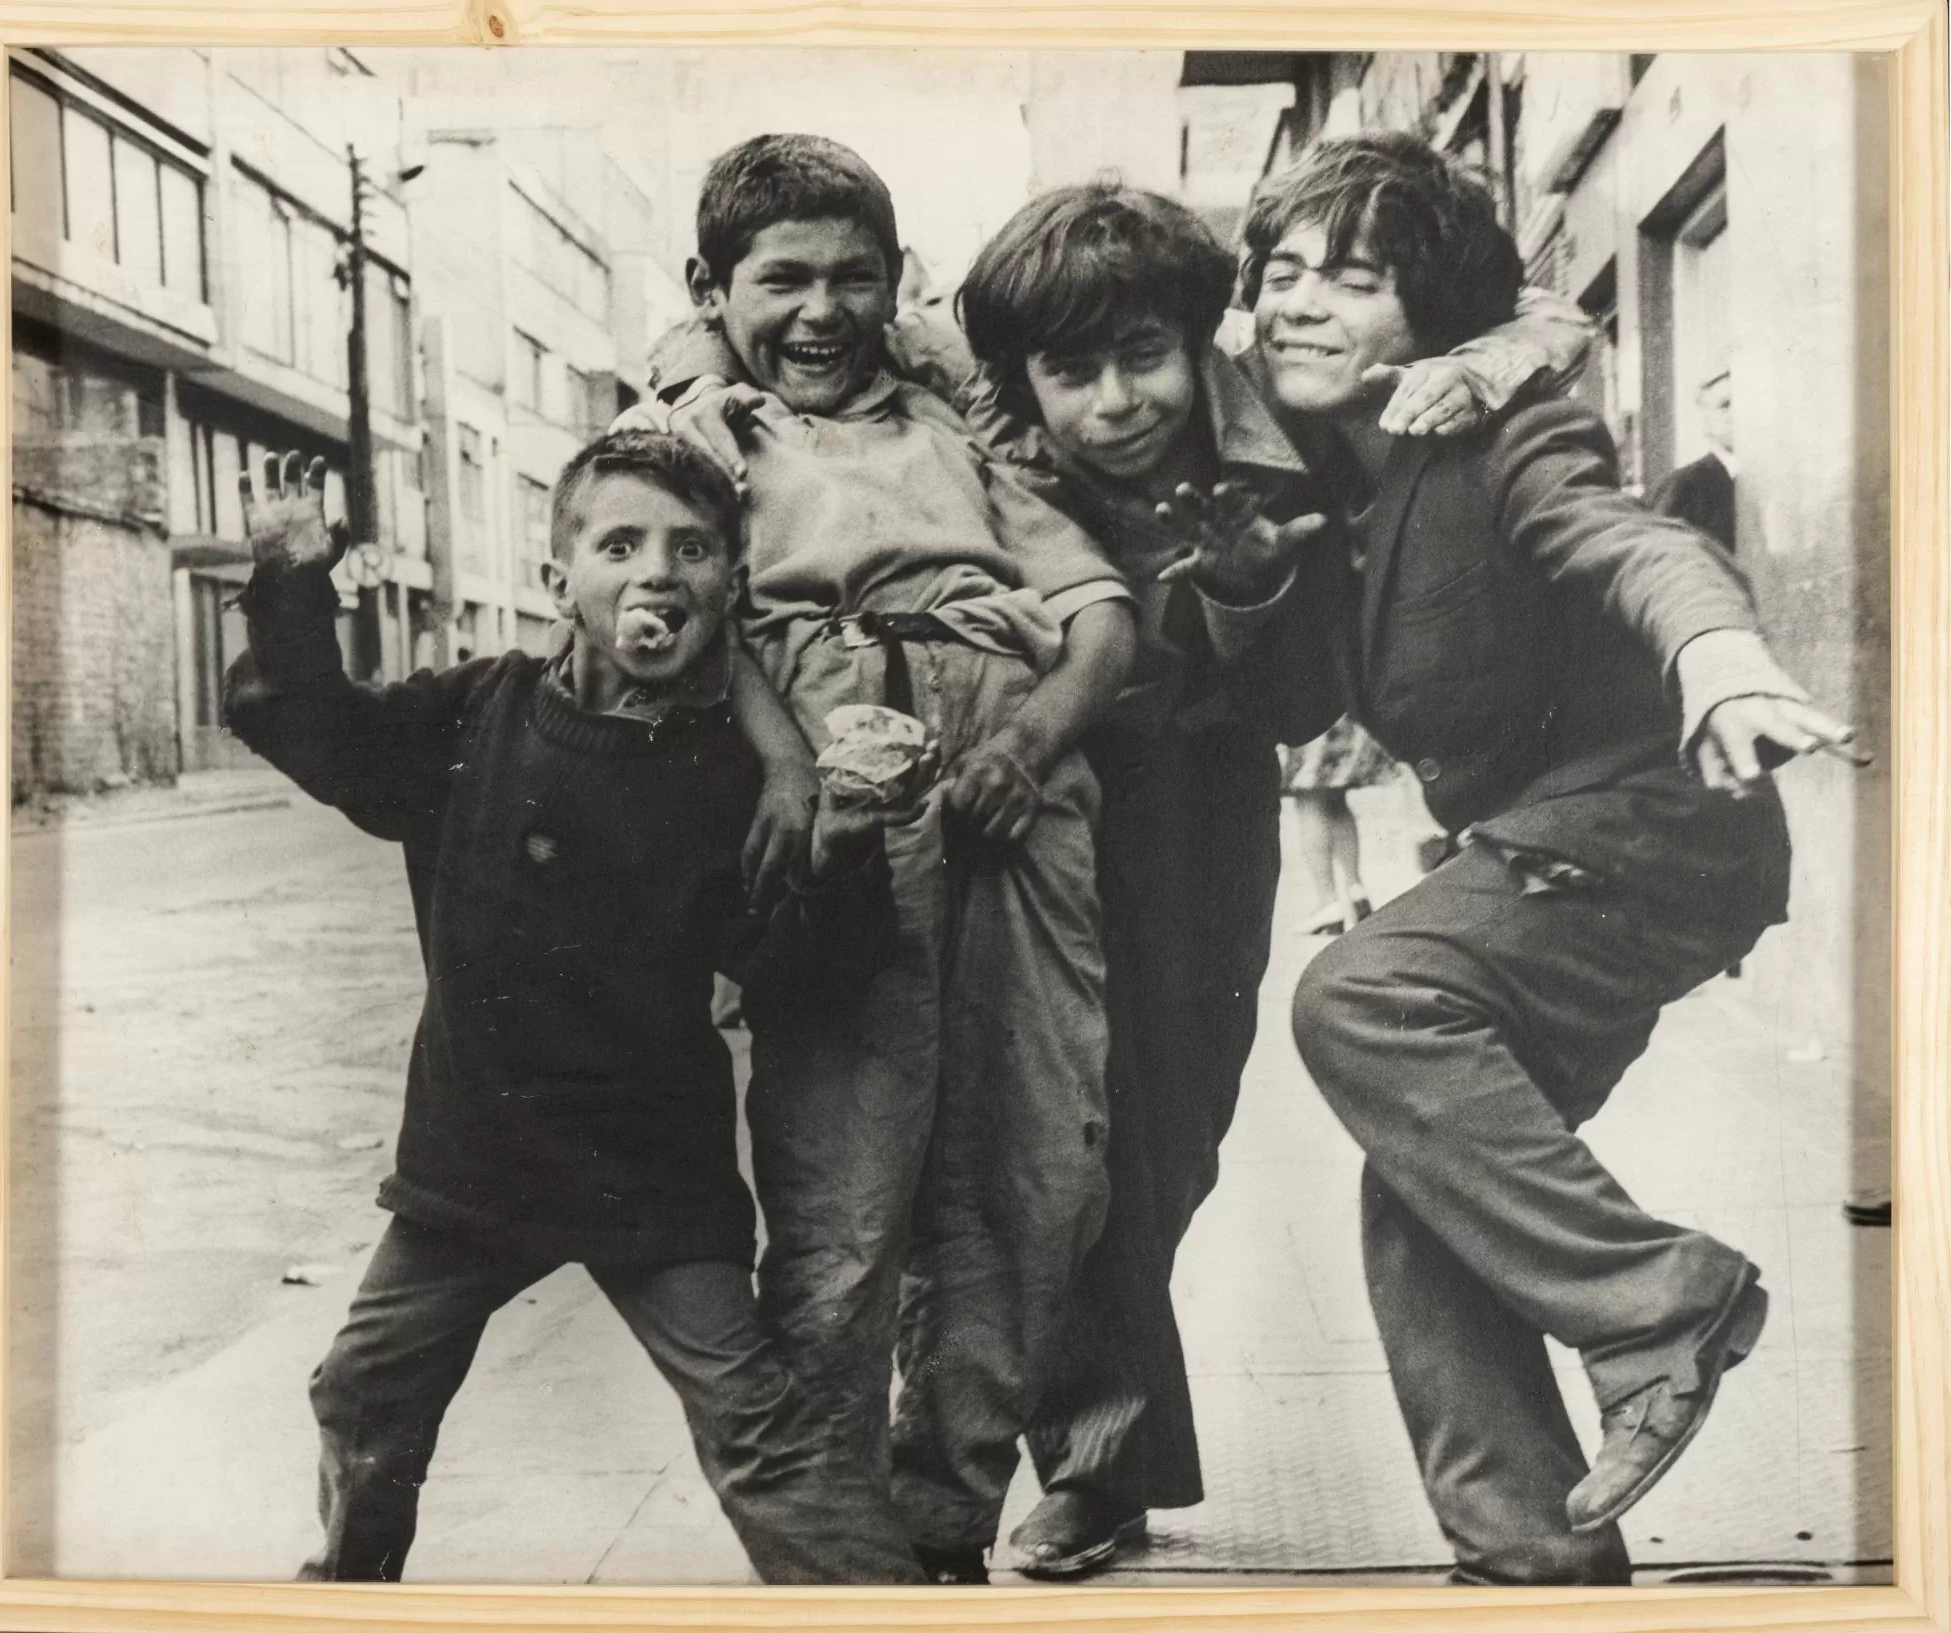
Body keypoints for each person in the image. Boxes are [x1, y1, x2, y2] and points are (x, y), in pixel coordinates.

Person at [654, 176, 1594, 1578]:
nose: (1114, 402)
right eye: (1072, 371)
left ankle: (1089, 1444)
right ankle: (1090, 1461)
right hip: (1015, 808)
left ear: (1197, 338)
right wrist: (685, 369)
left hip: (1189, 826)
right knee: (1050, 1151)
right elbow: (775, 322)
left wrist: (1243, 587)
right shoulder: (972, 406)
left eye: (1143, 358)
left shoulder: (1276, 428)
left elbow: (1295, 699)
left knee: (1166, 1148)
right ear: (1021, 370)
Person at [1239, 132, 1856, 1584]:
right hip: (1543, 851)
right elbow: (1291, 707)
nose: (1301, 304)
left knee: (1358, 995)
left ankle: (1659, 1298)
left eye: (1355, 277)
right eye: (1279, 274)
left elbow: (1624, 539)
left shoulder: (1506, 435)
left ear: (1433, 315)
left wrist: (1714, 652)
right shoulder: (1336, 492)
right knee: (1427, 1185)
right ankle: (1529, 1556)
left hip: (1652, 824)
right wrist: (1233, 583)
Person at [224, 433, 928, 1586]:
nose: (657, 573)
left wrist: (841, 852)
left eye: (691, 549)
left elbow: (804, 975)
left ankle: (883, 1608)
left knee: (756, 1426)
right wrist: (292, 588)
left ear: (726, 591)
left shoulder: (736, 778)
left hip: (646, 1172)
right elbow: (320, 729)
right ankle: (346, 1591)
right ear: (561, 585)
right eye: (621, 544)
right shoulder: (476, 716)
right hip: (471, 1162)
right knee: (364, 1388)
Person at [616, 133, 1137, 1584]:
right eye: (782, 279)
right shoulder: (701, 442)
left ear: (895, 285)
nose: (821, 311)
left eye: (855, 276)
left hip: (1017, 795)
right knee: (844, 1192)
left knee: (1035, 1171)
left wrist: (1030, 740)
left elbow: (1099, 615)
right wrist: (786, 756)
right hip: (836, 799)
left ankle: (944, 1518)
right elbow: (668, 620)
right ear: (712, 290)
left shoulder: (963, 432)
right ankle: (831, 1545)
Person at [1279, 719, 1397, 933]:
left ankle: (1328, 903)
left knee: (1309, 801)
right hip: (1342, 715)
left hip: (1310, 720)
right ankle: (1355, 888)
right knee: (1336, 800)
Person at [1649, 368, 1737, 551]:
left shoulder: (1768, 485)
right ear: (1706, 421)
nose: (1737, 413)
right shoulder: (1685, 487)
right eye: (1725, 405)